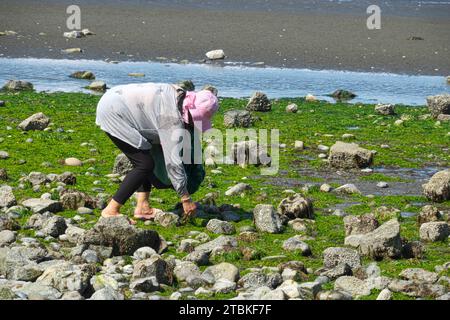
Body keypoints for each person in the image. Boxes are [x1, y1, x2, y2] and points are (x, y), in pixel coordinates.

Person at [95, 82, 219, 221]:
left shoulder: (178, 93)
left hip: (116, 96)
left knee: (146, 156)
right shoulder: (171, 120)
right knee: (144, 164)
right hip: (113, 112)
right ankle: (111, 209)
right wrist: (185, 198)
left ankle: (143, 207)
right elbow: (173, 164)